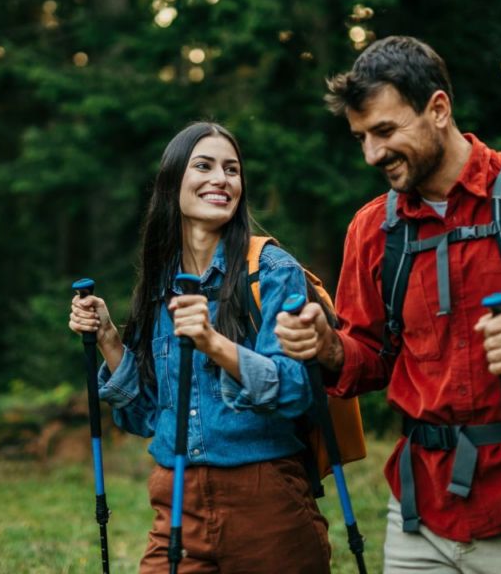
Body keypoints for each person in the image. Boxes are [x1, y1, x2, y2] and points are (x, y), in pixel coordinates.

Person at [274, 37, 501, 573]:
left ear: (438, 109)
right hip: (419, 516)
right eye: (361, 138)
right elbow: (371, 359)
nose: (372, 154)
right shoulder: (374, 229)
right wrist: (329, 347)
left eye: (384, 131)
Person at [69, 121, 332, 573]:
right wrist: (110, 340)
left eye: (232, 169)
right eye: (204, 166)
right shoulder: (159, 283)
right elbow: (147, 415)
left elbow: (292, 390)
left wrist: (212, 342)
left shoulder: (271, 271)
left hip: (265, 499)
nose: (220, 179)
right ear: (173, 184)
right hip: (176, 499)